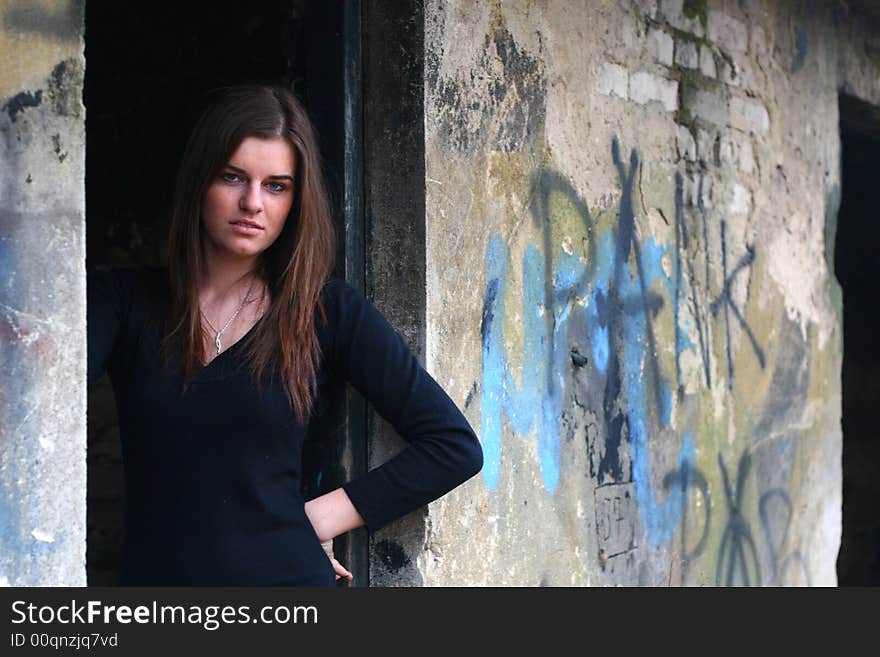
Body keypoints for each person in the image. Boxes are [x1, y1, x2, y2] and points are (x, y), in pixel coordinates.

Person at [87, 84, 483, 586]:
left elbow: (453, 446)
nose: (252, 202)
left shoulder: (327, 312)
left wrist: (316, 519)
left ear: (296, 200)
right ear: (198, 182)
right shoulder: (121, 301)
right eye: (232, 177)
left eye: (276, 186)